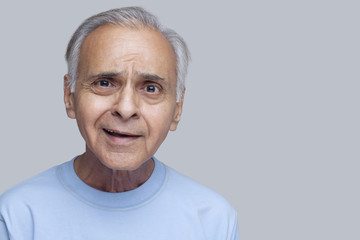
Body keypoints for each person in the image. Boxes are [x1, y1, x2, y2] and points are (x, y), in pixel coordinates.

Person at [0, 7, 239, 239]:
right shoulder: (16, 217)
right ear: (69, 96)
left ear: (178, 108)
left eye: (151, 88)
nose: (126, 109)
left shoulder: (212, 220)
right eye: (104, 83)